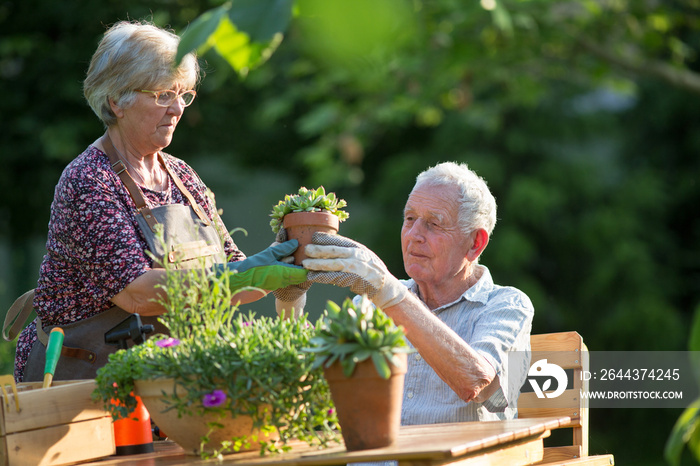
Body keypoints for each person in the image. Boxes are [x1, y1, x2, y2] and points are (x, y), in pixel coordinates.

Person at [5, 20, 306, 383]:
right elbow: (137, 294)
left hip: (169, 382)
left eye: (184, 93)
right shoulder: (89, 180)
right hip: (83, 386)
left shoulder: (182, 176)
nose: (178, 108)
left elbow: (232, 272)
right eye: (163, 94)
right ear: (116, 100)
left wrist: (287, 257)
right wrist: (240, 277)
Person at [302, 162, 534, 423]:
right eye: (410, 219)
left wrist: (389, 293)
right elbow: (311, 381)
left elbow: (478, 384)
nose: (413, 235)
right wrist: (292, 296)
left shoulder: (507, 305)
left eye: (434, 224)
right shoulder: (374, 299)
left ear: (475, 243)